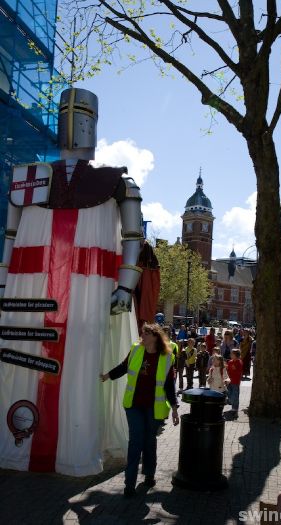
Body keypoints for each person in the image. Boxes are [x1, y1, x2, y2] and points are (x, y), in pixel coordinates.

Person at [0, 88, 143, 475]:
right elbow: (10, 239)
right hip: (32, 291)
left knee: (80, 366)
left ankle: (71, 448)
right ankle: (28, 445)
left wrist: (125, 286)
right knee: (25, 365)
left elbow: (133, 238)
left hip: (86, 292)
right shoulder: (28, 180)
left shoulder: (116, 183)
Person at [100, 323, 179, 497]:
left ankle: (149, 474)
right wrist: (106, 376)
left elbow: (169, 385)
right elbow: (123, 367)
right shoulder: (136, 350)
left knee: (149, 441)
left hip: (153, 408)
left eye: (145, 334)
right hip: (134, 405)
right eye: (142, 334)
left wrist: (174, 408)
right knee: (135, 441)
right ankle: (129, 484)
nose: (141, 337)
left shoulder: (167, 357)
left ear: (154, 337)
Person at [227, 349, 243, 418]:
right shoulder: (230, 362)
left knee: (235, 396)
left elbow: (239, 373)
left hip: (236, 382)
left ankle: (235, 409)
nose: (230, 355)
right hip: (229, 381)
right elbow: (228, 371)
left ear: (236, 355)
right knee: (229, 394)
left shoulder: (239, 362)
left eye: (232, 354)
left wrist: (235, 369)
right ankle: (231, 402)